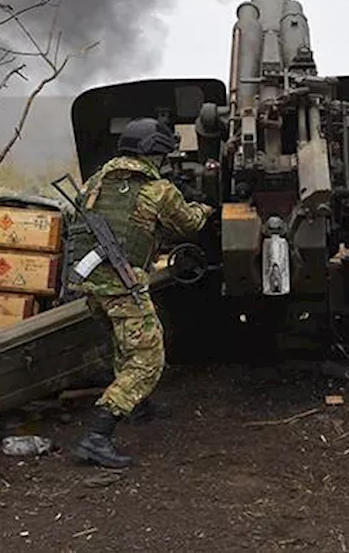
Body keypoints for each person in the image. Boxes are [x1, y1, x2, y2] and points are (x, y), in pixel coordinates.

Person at [69, 117, 214, 468]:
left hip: (90, 283)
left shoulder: (95, 182)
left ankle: (140, 405)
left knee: (125, 345)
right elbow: (190, 224)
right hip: (122, 284)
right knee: (147, 359)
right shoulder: (156, 190)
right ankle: (98, 435)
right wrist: (203, 204)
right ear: (152, 153)